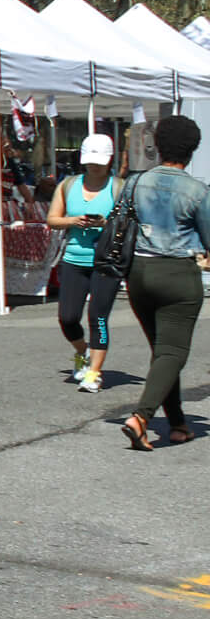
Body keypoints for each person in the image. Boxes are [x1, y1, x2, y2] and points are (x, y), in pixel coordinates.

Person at [120, 114, 210, 451]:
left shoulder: (135, 182)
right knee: (172, 351)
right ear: (192, 150)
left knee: (162, 352)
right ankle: (141, 417)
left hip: (139, 274)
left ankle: (178, 424)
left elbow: (120, 224)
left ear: (157, 146)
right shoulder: (198, 190)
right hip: (177, 274)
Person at [48, 132, 122, 395]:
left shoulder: (118, 187)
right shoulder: (68, 184)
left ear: (110, 160)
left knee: (97, 317)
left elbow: (127, 222)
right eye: (90, 160)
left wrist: (105, 223)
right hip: (74, 258)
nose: (94, 165)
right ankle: (83, 352)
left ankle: (94, 373)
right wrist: (74, 220)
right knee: (67, 318)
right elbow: (52, 219)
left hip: (106, 261)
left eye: (99, 161)